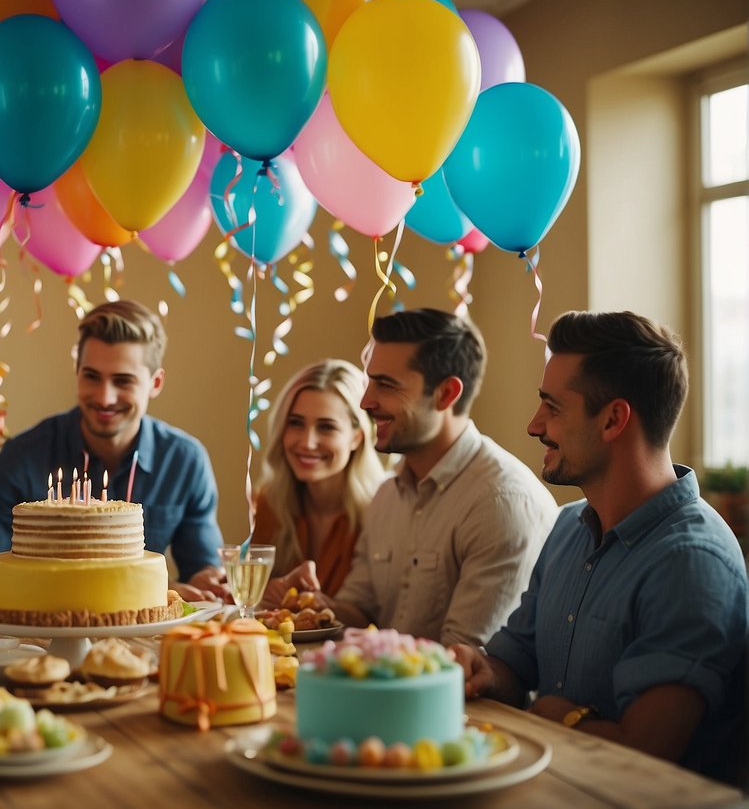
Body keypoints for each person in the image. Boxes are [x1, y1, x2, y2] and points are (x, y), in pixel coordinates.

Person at [451, 311, 748, 781]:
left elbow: (644, 754)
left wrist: (554, 712)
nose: (534, 425)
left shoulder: (691, 562)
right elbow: (515, 662)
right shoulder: (568, 526)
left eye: (552, 407)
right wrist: (482, 670)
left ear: (613, 420)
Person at [0, 300, 228, 600]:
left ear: (155, 383)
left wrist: (208, 580)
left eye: (123, 381)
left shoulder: (184, 461)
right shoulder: (23, 456)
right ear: (77, 370)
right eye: (92, 376)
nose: (104, 397)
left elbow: (202, 571)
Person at [333, 308, 558, 646]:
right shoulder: (387, 494)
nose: (365, 402)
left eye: (386, 385)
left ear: (446, 394)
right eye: (369, 383)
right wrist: (308, 608)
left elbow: (467, 658)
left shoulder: (500, 502)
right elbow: (359, 607)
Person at [253, 359, 387, 609]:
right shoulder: (269, 504)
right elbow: (248, 602)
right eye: (296, 423)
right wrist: (266, 594)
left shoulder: (383, 511)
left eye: (326, 427)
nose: (307, 442)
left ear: (357, 438)